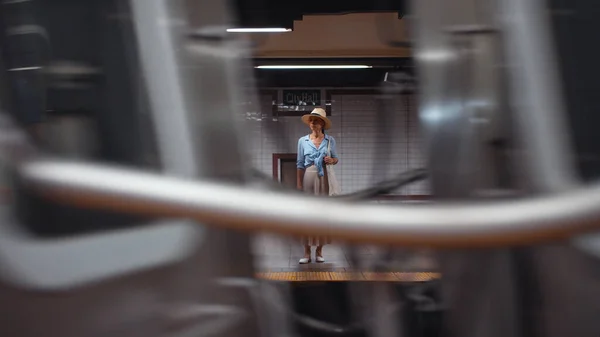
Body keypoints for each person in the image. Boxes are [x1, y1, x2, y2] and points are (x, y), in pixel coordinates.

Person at [296, 107, 339, 264]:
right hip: (309, 175)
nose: (312, 123)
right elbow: (300, 164)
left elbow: (336, 159)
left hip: (324, 178)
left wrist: (331, 160)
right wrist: (299, 185)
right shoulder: (302, 141)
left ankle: (319, 250)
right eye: (310, 121)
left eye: (315, 121)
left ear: (322, 124)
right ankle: (306, 252)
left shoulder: (330, 140)